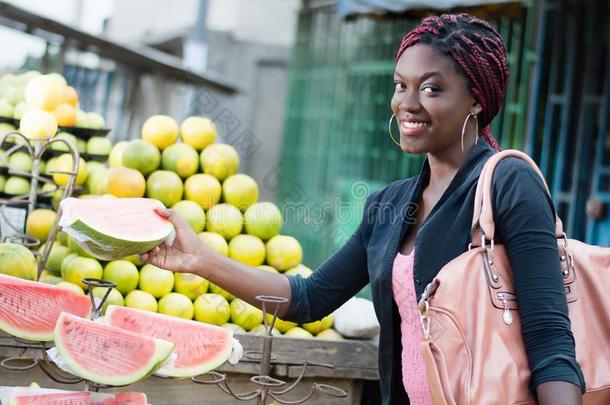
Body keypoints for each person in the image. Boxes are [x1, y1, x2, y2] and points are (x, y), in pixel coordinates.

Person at [141, 13, 585, 405]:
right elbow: (309, 297)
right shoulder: (389, 206)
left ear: (476, 100)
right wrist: (199, 260)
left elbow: (550, 340)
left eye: (431, 88)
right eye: (401, 86)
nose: (407, 103)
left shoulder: (508, 183)